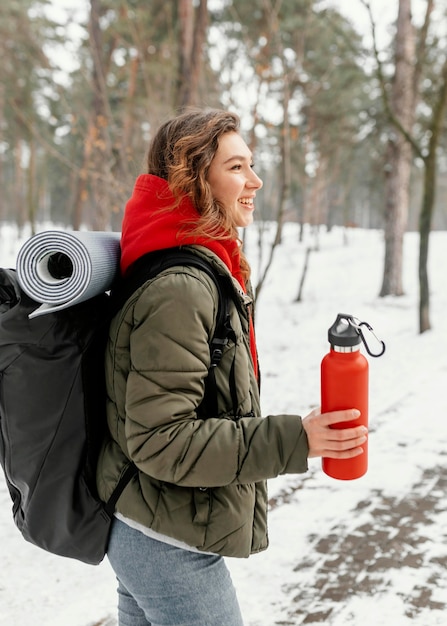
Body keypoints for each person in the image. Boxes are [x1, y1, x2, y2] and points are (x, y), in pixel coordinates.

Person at [96, 108, 368, 626]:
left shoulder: (191, 263)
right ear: (195, 179)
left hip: (150, 522)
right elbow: (160, 440)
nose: (256, 180)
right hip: (165, 540)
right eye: (237, 167)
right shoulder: (180, 287)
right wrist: (297, 440)